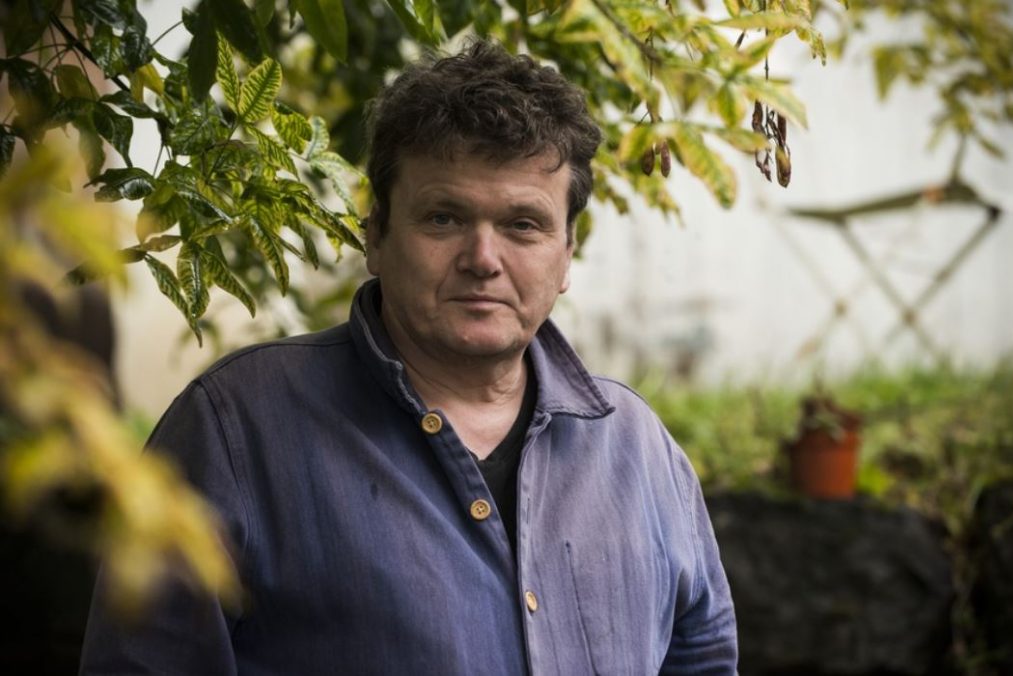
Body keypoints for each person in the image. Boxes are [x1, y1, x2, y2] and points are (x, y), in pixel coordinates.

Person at [80, 39, 737, 675]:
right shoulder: (236, 431)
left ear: (565, 255)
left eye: (523, 224)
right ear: (376, 238)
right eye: (444, 218)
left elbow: (703, 658)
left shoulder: (637, 449)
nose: (483, 259)